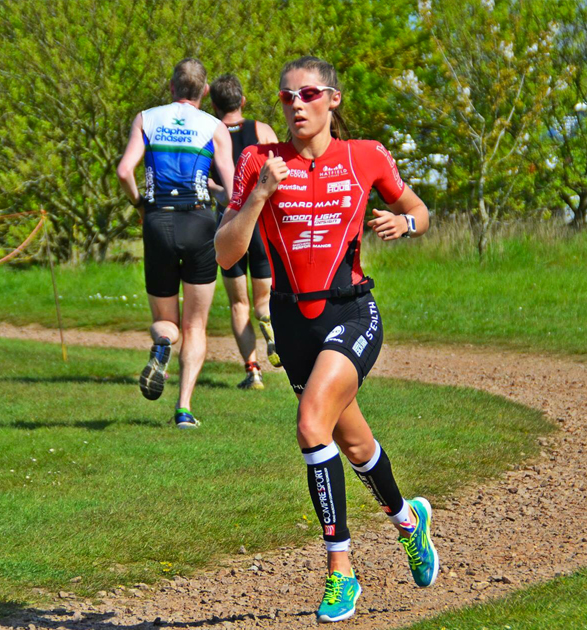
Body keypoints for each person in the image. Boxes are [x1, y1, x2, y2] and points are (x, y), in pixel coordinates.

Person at [215, 56, 437, 623]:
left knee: (312, 424)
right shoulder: (257, 161)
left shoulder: (366, 155)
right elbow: (226, 252)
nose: (295, 105)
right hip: (292, 324)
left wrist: (405, 224)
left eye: (307, 94)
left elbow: (420, 211)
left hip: (353, 312)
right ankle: (409, 522)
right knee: (356, 444)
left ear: (332, 99)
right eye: (286, 97)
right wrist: (261, 194)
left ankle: (341, 572)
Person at [117, 58, 235, 429]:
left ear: (171, 88)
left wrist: (139, 202)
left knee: (165, 322)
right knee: (196, 326)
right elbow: (232, 191)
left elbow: (124, 171)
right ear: (203, 92)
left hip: (159, 220)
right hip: (199, 222)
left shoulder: (147, 118)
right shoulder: (215, 127)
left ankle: (162, 344)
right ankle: (183, 409)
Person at [208, 74, 281, 390]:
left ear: (213, 104)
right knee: (263, 301)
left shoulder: (208, 134)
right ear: (243, 101)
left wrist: (219, 190)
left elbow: (205, 183)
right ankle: (271, 327)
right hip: (262, 222)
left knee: (239, 304)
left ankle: (253, 372)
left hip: (230, 225)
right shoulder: (262, 131)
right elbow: (282, 173)